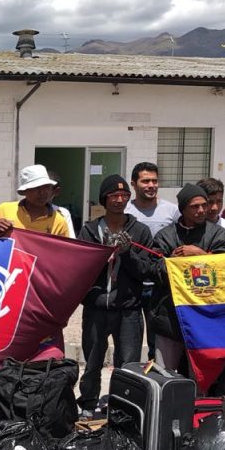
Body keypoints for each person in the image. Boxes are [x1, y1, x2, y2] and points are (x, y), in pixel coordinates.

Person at [76, 175, 152, 418]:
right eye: (113, 196)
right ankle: (88, 404)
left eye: (124, 196)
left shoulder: (140, 230)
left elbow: (146, 272)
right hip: (97, 307)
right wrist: (103, 254)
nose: (119, 200)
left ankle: (122, 406)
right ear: (104, 199)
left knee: (127, 364)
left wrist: (127, 254)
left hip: (128, 309)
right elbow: (80, 269)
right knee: (92, 361)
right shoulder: (90, 229)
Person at [147, 183, 225, 378]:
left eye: (204, 205)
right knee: (165, 376)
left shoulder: (218, 234)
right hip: (170, 318)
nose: (202, 210)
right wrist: (175, 262)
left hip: (204, 319)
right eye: (195, 206)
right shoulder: (165, 236)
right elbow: (153, 269)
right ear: (183, 209)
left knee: (200, 378)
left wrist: (200, 255)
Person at [0, 164, 70, 361]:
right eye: (36, 188)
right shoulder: (5, 209)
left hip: (38, 293)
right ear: (25, 191)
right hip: (5, 289)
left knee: (36, 346)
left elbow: (63, 259)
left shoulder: (58, 221)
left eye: (46, 188)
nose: (43, 193)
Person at [124, 162, 179, 361]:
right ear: (133, 184)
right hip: (131, 285)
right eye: (145, 181)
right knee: (130, 341)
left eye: (154, 181)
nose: (151, 185)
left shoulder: (172, 212)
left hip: (160, 285)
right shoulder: (125, 211)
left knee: (158, 343)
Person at [46, 170, 76, 237]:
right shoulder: (19, 210)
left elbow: (69, 242)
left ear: (56, 191)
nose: (41, 193)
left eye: (47, 189)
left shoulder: (63, 214)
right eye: (36, 188)